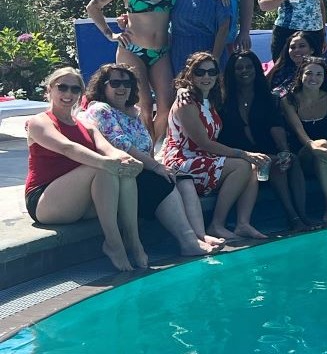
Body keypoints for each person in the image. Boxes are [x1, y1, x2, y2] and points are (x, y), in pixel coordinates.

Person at [81, 64, 220, 257]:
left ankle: (200, 236)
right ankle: (187, 241)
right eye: (115, 83)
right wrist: (156, 167)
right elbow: (122, 145)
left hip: (142, 168)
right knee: (161, 182)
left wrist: (159, 165)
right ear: (103, 86)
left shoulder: (133, 112)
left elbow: (146, 146)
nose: (122, 88)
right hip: (121, 174)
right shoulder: (101, 109)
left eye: (127, 83)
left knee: (184, 180)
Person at [25, 67, 147, 271]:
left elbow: (108, 149)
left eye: (74, 89)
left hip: (80, 202)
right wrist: (107, 163)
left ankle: (134, 241)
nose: (68, 94)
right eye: (62, 87)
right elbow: (67, 147)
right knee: (102, 168)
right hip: (46, 202)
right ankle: (114, 244)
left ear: (80, 94)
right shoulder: (39, 122)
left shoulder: (86, 124)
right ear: (50, 90)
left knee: (122, 170)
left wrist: (128, 160)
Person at [85, 0, 200, 142]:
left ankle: (151, 147)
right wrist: (111, 34)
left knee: (166, 105)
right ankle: (148, 156)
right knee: (144, 105)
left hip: (161, 51)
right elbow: (93, 6)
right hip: (132, 50)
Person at [161, 52, 270, 240]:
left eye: (211, 72)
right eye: (200, 72)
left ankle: (243, 224)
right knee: (242, 164)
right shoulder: (186, 102)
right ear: (190, 74)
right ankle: (216, 224)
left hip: (202, 158)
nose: (206, 76)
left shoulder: (209, 100)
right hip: (182, 161)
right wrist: (244, 153)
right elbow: (204, 142)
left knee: (251, 167)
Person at [220, 51, 314, 231]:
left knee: (289, 159)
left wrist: (284, 149)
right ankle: (293, 218)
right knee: (273, 162)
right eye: (239, 68)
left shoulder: (268, 97)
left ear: (256, 69)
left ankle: (302, 215)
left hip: (264, 150)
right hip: (238, 155)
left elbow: (276, 126)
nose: (244, 71)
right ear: (231, 72)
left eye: (249, 66)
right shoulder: (222, 100)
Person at [281, 57, 327, 223]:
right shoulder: (289, 99)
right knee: (322, 143)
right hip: (303, 153)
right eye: (309, 73)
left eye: (319, 74)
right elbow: (299, 132)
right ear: (301, 76)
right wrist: (314, 146)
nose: (314, 78)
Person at [268, 30, 325, 96]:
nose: (296, 50)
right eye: (292, 47)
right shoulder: (279, 71)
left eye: (302, 46)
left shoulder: (319, 71)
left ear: (312, 50)